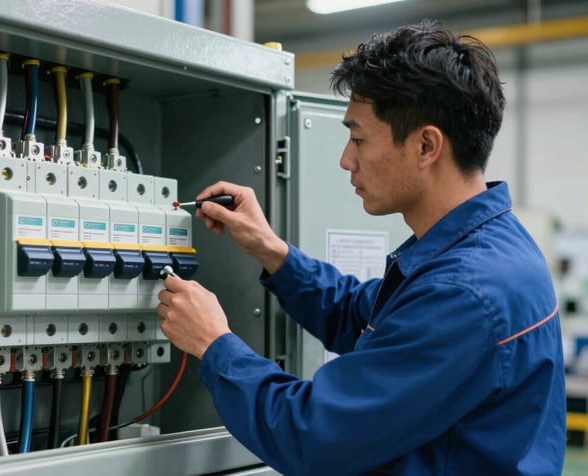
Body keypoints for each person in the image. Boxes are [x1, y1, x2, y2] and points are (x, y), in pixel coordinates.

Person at [155, 19, 566, 475]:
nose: (346, 159)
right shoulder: (486, 248)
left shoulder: (466, 291)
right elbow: (361, 314)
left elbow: (313, 435)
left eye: (358, 138)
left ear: (426, 145)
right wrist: (272, 250)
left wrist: (214, 344)